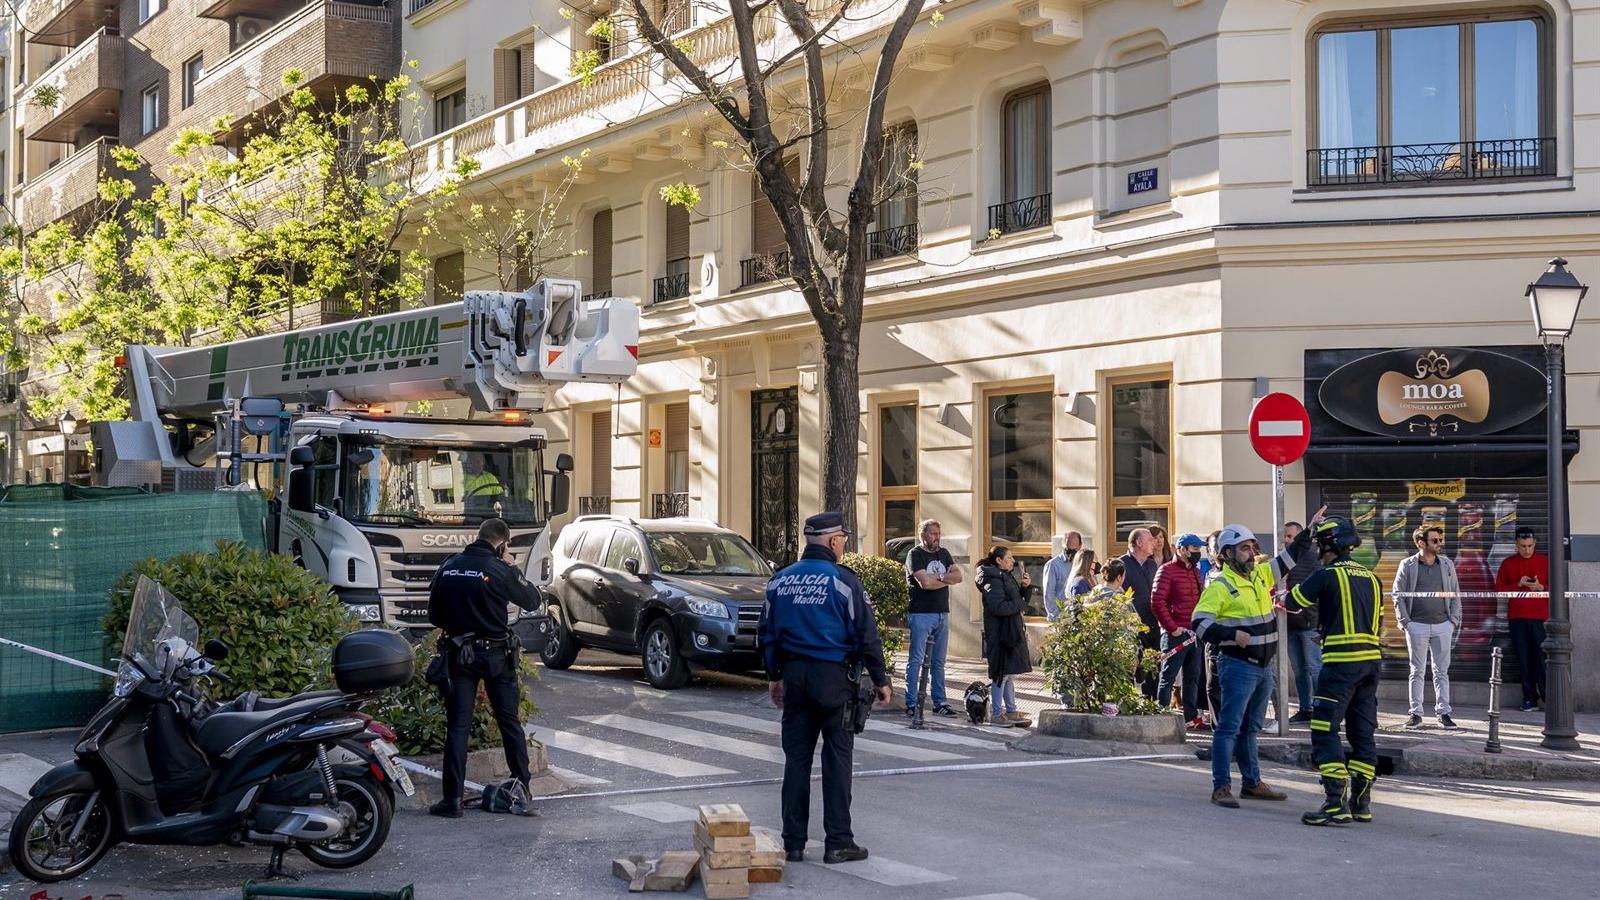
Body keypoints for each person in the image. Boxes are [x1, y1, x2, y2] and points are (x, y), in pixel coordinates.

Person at [759, 512, 890, 865]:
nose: (843, 544)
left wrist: (775, 675)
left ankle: (793, 843)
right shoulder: (844, 581)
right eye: (842, 539)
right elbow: (866, 634)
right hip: (834, 680)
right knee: (837, 760)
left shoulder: (780, 580)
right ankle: (838, 842)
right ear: (833, 541)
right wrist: (881, 680)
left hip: (795, 678)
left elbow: (767, 634)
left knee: (796, 761)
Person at [426, 517, 542, 818]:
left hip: (459, 656)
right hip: (496, 657)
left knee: (457, 727)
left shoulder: (449, 565)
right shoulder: (499, 569)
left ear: (478, 537)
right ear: (501, 544)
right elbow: (532, 600)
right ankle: (522, 791)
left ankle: (452, 800)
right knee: (509, 723)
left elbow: (433, 615)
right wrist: (513, 567)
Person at [1284, 517, 1384, 826]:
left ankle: (1334, 803)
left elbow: (1294, 601)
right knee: (1362, 733)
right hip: (1371, 664)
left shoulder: (1325, 574)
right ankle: (1361, 804)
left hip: (1340, 664)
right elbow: (1374, 622)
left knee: (1325, 729)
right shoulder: (1373, 578)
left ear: (1326, 545)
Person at [1191, 524, 1287, 808]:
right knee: (1229, 728)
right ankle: (1221, 787)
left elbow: (1289, 559)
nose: (1251, 553)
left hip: (1263, 667)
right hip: (1238, 666)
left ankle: (1252, 783)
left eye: (1252, 548)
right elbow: (1199, 622)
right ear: (1228, 554)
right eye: (1244, 549)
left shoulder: (1259, 575)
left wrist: (1310, 532)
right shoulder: (1221, 586)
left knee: (1250, 728)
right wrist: (1231, 635)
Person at [1393, 525, 1462, 728]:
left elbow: (1455, 593)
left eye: (1440, 540)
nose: (1439, 543)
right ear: (1421, 543)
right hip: (1417, 625)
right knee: (1417, 671)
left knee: (1442, 671)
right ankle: (1415, 713)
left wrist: (1453, 621)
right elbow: (1398, 594)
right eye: (1435, 540)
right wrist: (1406, 622)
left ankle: (1444, 713)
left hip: (1443, 625)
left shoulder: (1447, 564)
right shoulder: (1407, 565)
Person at [904, 519, 961, 718]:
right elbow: (925, 583)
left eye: (938, 533)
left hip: (942, 612)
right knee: (916, 660)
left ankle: (940, 702)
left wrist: (939, 578)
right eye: (933, 533)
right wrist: (946, 579)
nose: (937, 537)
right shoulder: (915, 555)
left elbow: (959, 577)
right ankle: (912, 702)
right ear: (922, 535)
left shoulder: (943, 553)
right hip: (921, 613)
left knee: (939, 661)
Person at [1153, 534, 1208, 730]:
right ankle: (1161, 719)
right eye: (1194, 548)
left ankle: (1190, 719)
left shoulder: (1195, 571)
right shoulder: (1166, 570)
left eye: (1199, 548)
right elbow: (1157, 602)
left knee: (1192, 678)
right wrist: (1172, 628)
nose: (1198, 552)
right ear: (1182, 549)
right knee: (1168, 677)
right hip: (1175, 635)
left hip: (1194, 634)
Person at [977, 545, 1034, 727]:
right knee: (1000, 673)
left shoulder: (1004, 576)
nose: (1013, 561)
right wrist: (1021, 603)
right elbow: (999, 607)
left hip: (1010, 630)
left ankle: (1011, 710)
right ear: (999, 560)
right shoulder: (992, 579)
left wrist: (1025, 588)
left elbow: (1016, 600)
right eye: (1009, 558)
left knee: (1009, 673)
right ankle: (996, 713)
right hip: (1000, 632)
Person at [1495, 527, 1550, 711]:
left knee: (1542, 659)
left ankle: (1548, 698)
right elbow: (1498, 590)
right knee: (1523, 660)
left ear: (1535, 544)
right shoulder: (1508, 563)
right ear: (1516, 545)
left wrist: (1541, 587)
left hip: (1540, 618)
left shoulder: (1545, 561)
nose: (1527, 550)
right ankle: (1529, 699)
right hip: (1517, 618)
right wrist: (1518, 584)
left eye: (1530, 546)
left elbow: (1558, 589)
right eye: (1522, 546)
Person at [1278, 519, 1324, 724]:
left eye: (1290, 536)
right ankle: (1305, 709)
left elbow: (1321, 592)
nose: (1286, 540)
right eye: (1285, 537)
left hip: (1309, 624)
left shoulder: (1313, 559)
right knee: (1299, 670)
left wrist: (1317, 620)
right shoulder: (1283, 560)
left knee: (1315, 667)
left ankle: (1323, 709)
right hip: (1289, 624)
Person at [1120, 529, 1161, 699]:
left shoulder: (1152, 565)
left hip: (1153, 623)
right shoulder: (1121, 564)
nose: (1154, 542)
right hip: (1131, 626)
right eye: (1150, 539)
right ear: (1138, 543)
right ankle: (1127, 701)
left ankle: (1151, 700)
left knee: (1153, 665)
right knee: (1131, 666)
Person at [1041, 531, 1084, 623]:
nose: (1071, 553)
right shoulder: (1053, 565)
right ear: (1063, 545)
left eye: (1074, 550)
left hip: (1081, 617)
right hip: (1062, 618)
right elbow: (1048, 594)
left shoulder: (1083, 563)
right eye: (1068, 549)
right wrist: (1057, 617)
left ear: (1080, 546)